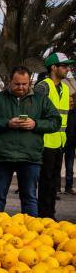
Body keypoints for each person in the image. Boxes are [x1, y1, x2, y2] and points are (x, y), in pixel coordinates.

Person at [0, 66, 60, 216]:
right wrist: (6, 123)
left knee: (29, 198)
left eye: (24, 84)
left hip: (30, 157)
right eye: (17, 84)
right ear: (10, 82)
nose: (21, 87)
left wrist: (36, 124)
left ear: (30, 82)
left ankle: (30, 233)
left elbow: (55, 121)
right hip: (2, 156)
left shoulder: (41, 100)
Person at [34, 52, 73, 219]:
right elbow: (35, 113)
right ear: (53, 67)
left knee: (54, 183)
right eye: (64, 66)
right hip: (44, 142)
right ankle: (44, 215)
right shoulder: (43, 87)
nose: (67, 69)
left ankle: (51, 213)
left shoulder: (64, 88)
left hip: (59, 142)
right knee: (45, 182)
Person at [64, 64, 76, 194]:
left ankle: (68, 186)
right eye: (69, 101)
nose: (70, 103)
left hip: (71, 143)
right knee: (56, 168)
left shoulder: (73, 114)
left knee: (69, 166)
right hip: (62, 142)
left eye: (72, 101)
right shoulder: (65, 112)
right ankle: (56, 187)